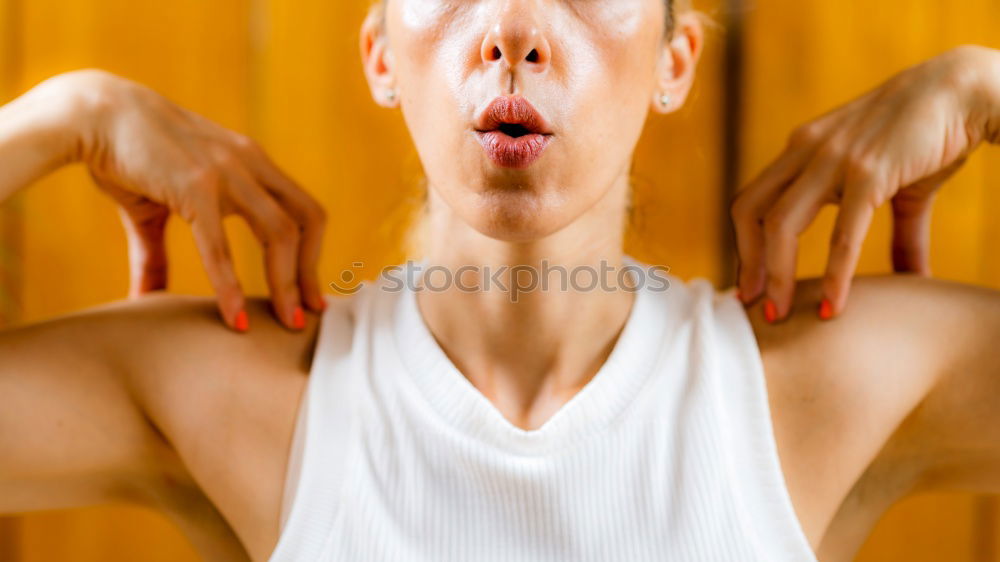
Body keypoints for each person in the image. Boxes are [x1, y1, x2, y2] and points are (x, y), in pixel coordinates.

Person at [0, 0, 998, 560]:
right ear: (380, 54)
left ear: (674, 59)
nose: (512, 32)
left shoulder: (808, 392)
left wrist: (982, 84)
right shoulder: (244, 399)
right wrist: (59, 116)